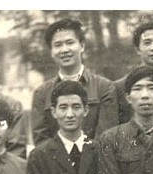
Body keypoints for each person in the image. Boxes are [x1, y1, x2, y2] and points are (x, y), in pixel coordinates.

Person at [26, 81, 108, 174]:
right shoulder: (39, 155)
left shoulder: (100, 150)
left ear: (86, 110)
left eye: (76, 107)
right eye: (63, 107)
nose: (70, 114)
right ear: (54, 112)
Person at [30, 18, 117, 146]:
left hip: (95, 158)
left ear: (82, 46)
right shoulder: (42, 93)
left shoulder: (104, 87)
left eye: (70, 43)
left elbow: (106, 138)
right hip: (55, 159)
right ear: (51, 52)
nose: (64, 50)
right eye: (58, 45)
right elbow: (41, 142)